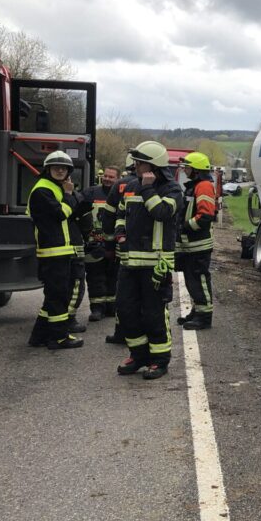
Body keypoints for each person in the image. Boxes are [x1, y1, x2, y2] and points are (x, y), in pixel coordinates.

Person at [114, 141, 182, 379]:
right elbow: (121, 214)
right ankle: (138, 354)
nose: (135, 166)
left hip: (156, 264)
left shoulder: (173, 190)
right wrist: (120, 234)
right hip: (129, 262)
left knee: (154, 313)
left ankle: (159, 360)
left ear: (153, 166)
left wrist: (148, 189)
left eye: (139, 162)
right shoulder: (131, 186)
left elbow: (162, 213)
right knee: (125, 309)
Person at [26, 151, 85, 350]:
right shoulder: (43, 190)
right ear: (47, 169)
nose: (60, 170)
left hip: (59, 251)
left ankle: (39, 336)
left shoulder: (54, 187)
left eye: (64, 168)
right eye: (55, 167)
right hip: (53, 252)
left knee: (53, 296)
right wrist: (69, 195)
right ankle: (59, 338)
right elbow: (61, 214)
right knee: (59, 296)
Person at [175, 151, 217, 330]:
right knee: (192, 280)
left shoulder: (204, 186)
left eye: (188, 167)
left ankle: (204, 317)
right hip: (190, 245)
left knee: (199, 279)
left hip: (198, 245)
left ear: (197, 169)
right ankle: (197, 310)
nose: (185, 169)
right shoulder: (195, 185)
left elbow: (205, 216)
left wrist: (185, 226)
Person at [100, 155, 137, 344]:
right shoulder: (157, 185)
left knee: (123, 292)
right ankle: (139, 335)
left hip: (123, 247)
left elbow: (108, 217)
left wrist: (109, 245)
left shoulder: (120, 185)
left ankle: (121, 332)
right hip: (148, 250)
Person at [81, 166, 120, 321]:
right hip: (94, 243)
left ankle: (111, 307)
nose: (107, 179)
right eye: (106, 175)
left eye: (111, 177)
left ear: (117, 179)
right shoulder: (90, 193)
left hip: (113, 243)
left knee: (113, 276)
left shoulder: (121, 194)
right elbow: (81, 213)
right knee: (95, 277)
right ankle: (97, 309)